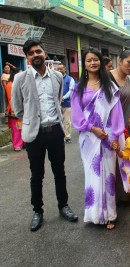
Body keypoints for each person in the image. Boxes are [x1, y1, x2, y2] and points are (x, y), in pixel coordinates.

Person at [12, 39, 78, 231]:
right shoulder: (20, 79)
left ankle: (63, 206)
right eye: (31, 53)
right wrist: (32, 122)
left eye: (38, 51)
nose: (35, 55)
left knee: (59, 172)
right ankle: (38, 211)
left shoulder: (57, 77)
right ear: (27, 57)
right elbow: (18, 108)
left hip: (55, 131)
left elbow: (57, 101)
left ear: (45, 52)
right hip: (35, 135)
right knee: (37, 175)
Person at [71, 48, 129, 230]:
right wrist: (92, 128)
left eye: (95, 59)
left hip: (108, 136)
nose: (93, 63)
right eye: (89, 60)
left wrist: (116, 134)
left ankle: (109, 215)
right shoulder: (77, 87)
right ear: (84, 64)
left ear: (100, 63)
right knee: (92, 175)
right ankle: (94, 214)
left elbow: (116, 112)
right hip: (89, 137)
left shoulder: (109, 87)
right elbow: (77, 116)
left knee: (109, 176)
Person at [109, 50, 130, 129]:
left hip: (128, 127)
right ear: (120, 61)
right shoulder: (108, 78)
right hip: (111, 128)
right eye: (129, 62)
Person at [5, 68, 23, 151]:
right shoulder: (10, 85)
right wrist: (13, 110)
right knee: (16, 129)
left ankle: (22, 143)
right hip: (13, 110)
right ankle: (17, 145)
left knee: (21, 127)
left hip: (20, 109)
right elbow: (10, 98)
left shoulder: (17, 84)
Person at [57, 64, 75, 143]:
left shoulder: (70, 79)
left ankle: (67, 137)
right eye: (58, 69)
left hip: (67, 104)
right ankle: (60, 136)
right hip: (57, 104)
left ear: (65, 69)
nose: (59, 71)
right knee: (58, 121)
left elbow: (71, 90)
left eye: (61, 69)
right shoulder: (55, 79)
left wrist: (63, 98)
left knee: (67, 121)